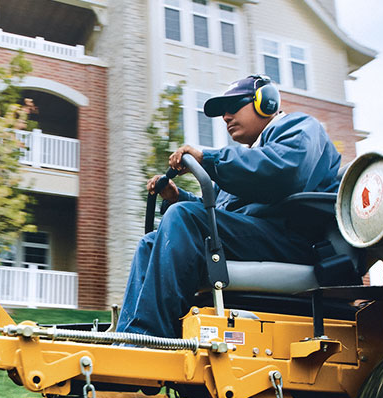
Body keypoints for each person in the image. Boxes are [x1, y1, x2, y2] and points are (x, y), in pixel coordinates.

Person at [116, 75, 342, 339]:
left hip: (293, 239)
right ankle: (128, 336)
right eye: (223, 112)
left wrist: (208, 158)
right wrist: (179, 198)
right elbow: (220, 212)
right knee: (150, 244)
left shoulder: (299, 127)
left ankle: (147, 339)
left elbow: (286, 170)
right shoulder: (245, 159)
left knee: (184, 218)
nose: (225, 117)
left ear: (266, 103)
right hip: (258, 237)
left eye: (233, 107)